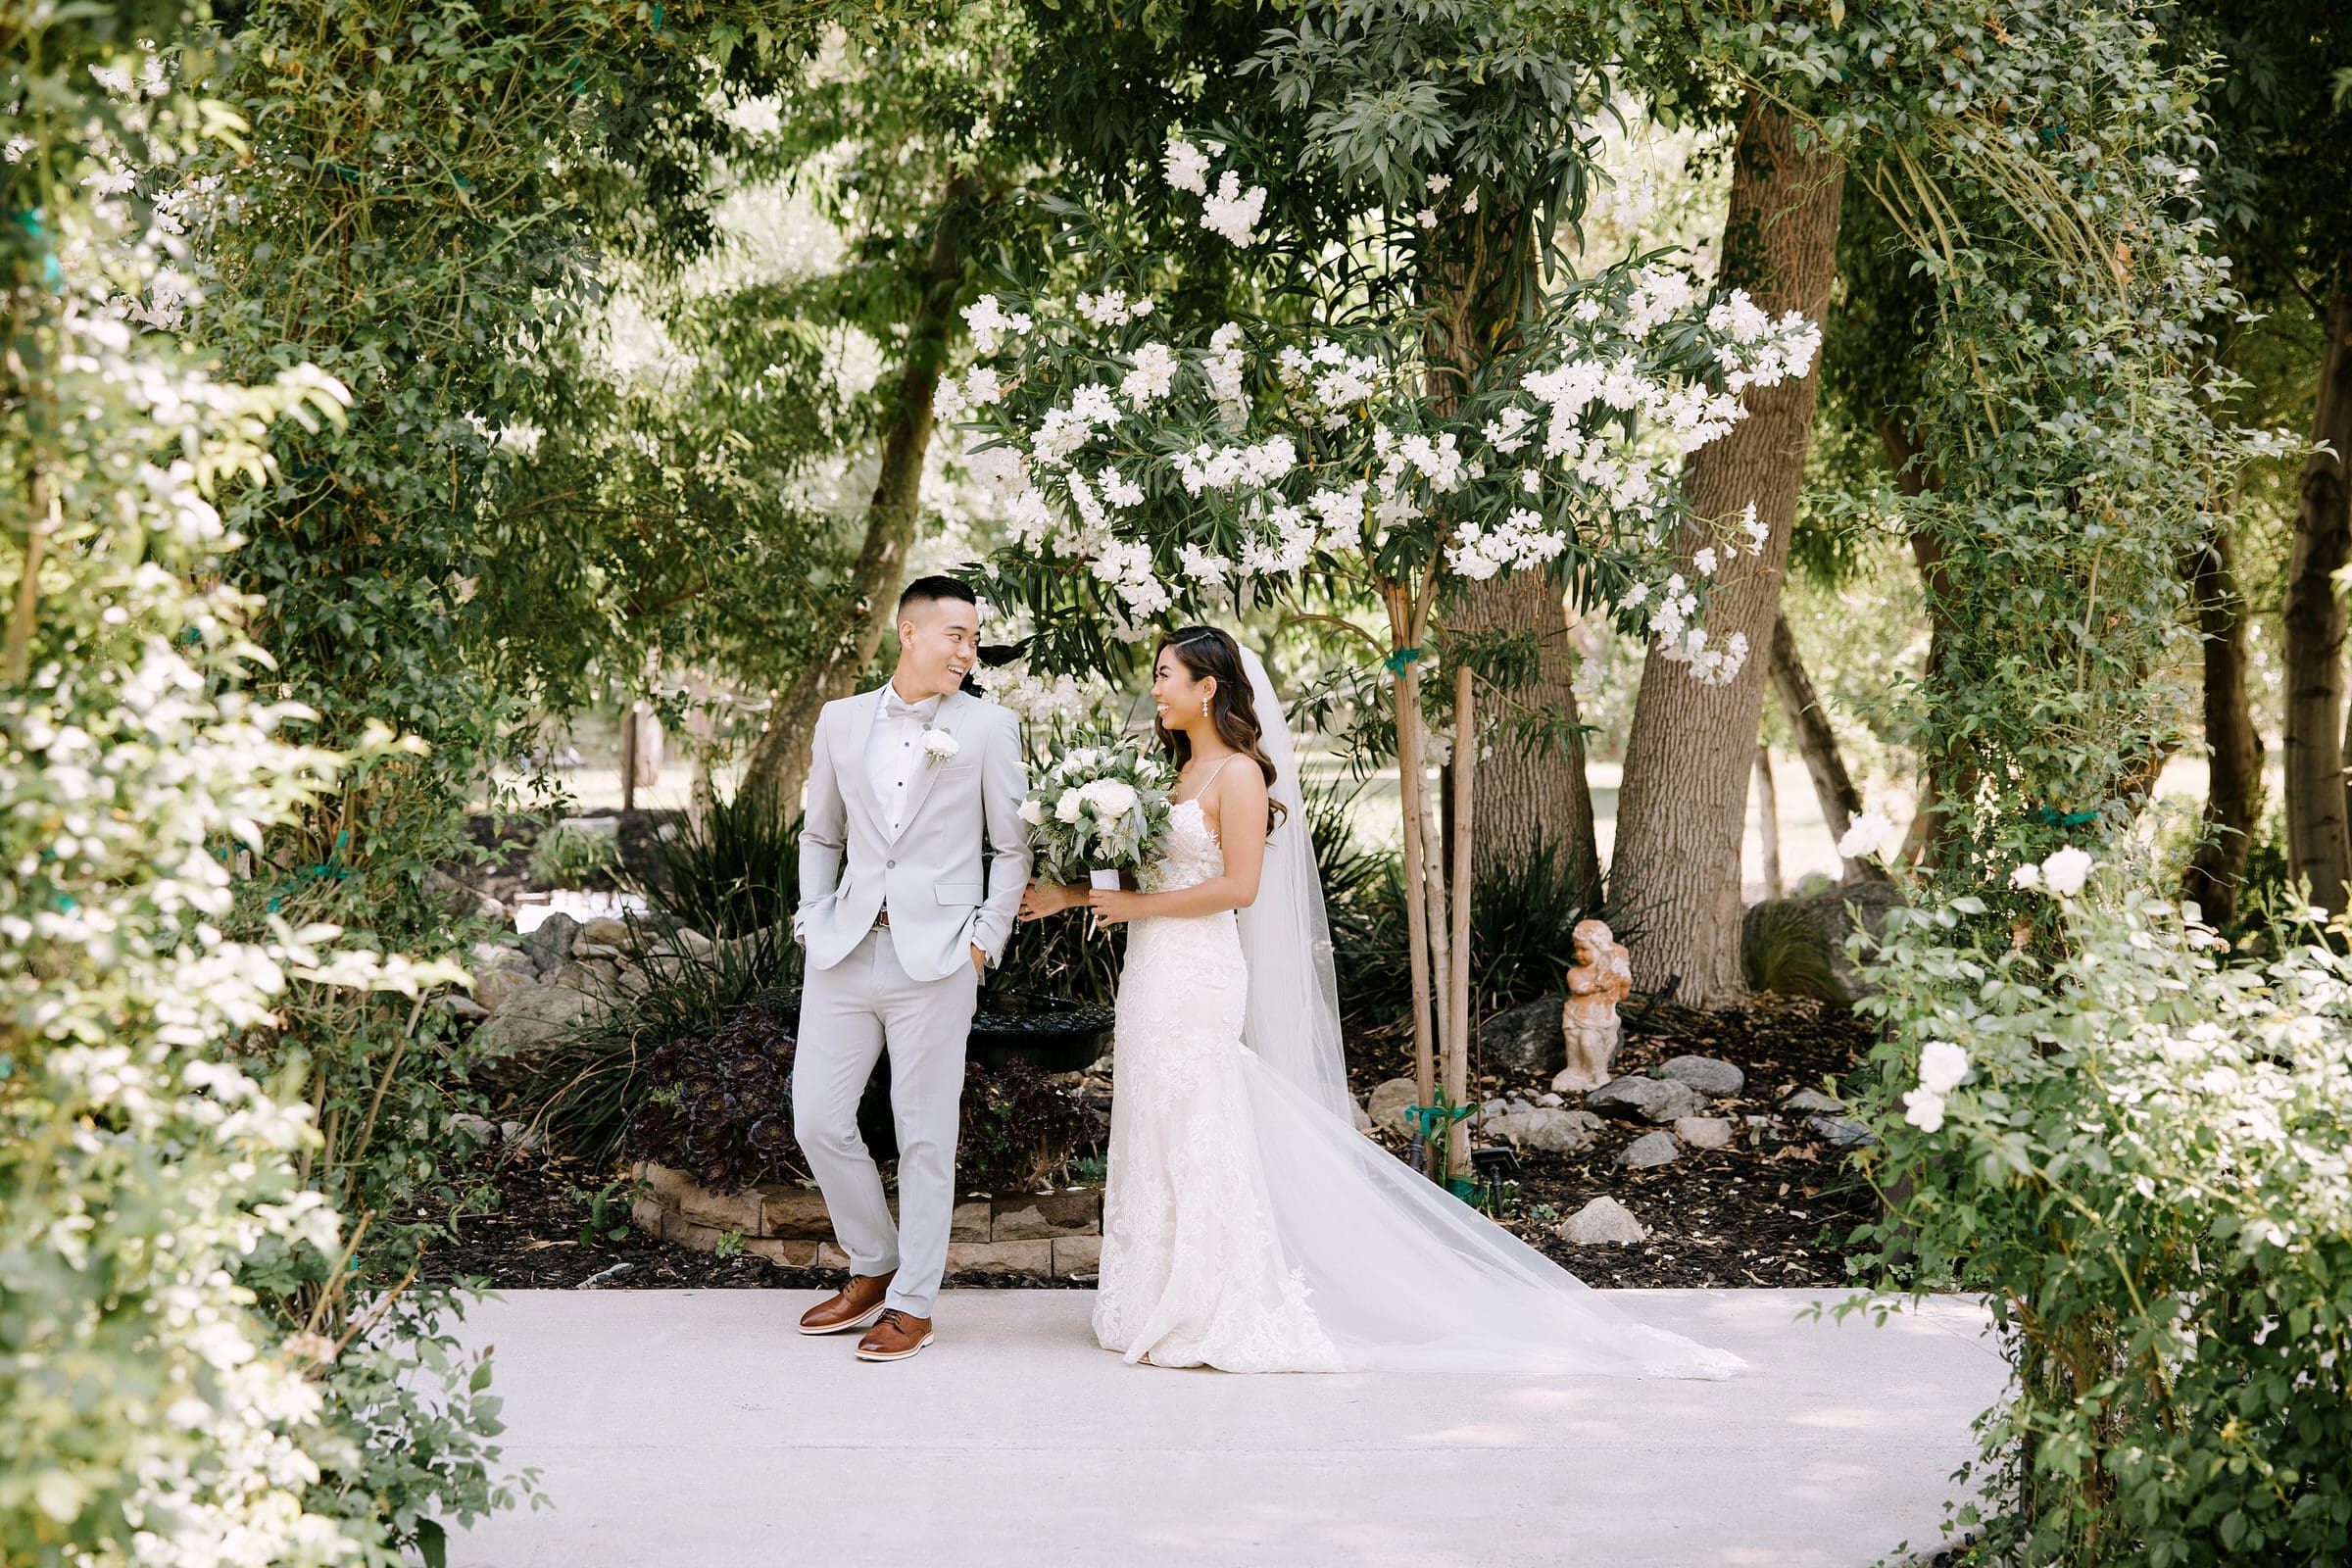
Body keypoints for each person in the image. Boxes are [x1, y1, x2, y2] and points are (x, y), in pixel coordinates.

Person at [1021, 626, 1740, 1377]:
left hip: (1199, 970)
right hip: (1151, 971)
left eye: (1168, 674)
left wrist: (1138, 911)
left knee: (1199, 1116)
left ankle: (1211, 1300)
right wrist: (1070, 894)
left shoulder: (1235, 774)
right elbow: (1150, 883)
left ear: (1208, 688)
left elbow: (1238, 888)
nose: (1157, 686)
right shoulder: (1169, 773)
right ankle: (1149, 1293)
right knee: (1154, 1114)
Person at [791, 576, 1031, 1363]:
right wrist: (812, 915)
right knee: (818, 1119)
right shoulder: (841, 719)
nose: (968, 650)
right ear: (909, 633)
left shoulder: (990, 728)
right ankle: (874, 1261)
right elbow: (820, 833)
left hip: (937, 958)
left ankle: (913, 1304)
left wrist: (982, 941)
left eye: (973, 637)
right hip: (844, 946)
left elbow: (1012, 847)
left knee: (926, 1135)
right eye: (956, 635)